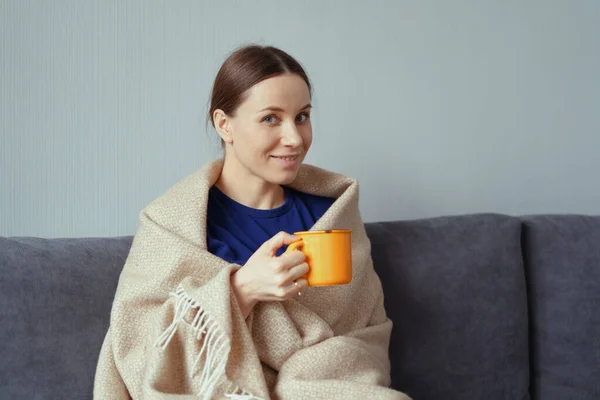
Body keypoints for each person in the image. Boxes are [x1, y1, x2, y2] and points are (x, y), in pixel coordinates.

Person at [94, 45, 410, 400]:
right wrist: (241, 289)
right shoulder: (174, 226)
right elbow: (138, 348)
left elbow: (366, 338)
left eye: (302, 116)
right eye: (271, 118)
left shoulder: (333, 214)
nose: (294, 138)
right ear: (224, 124)